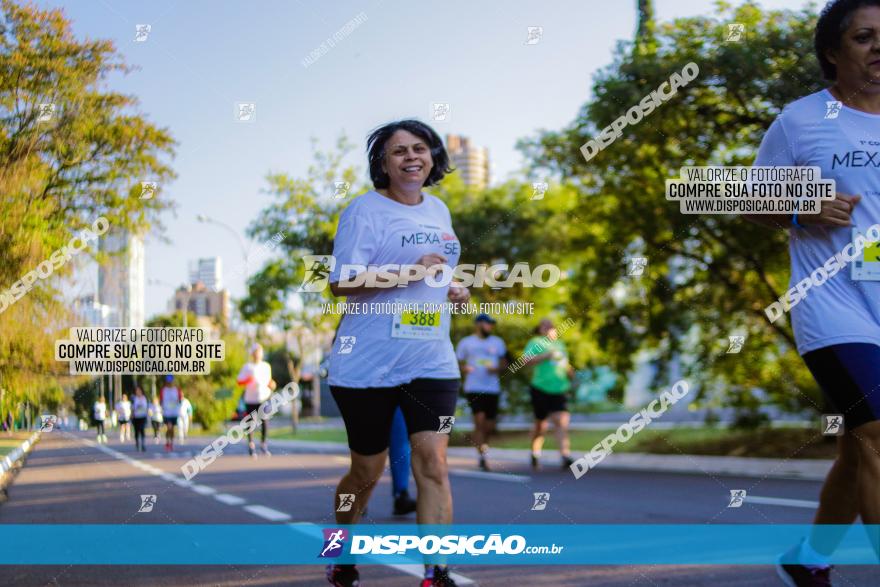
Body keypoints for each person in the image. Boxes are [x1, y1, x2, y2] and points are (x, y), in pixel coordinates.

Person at [746, 1, 880, 583]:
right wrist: (800, 209)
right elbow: (748, 199)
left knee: (859, 449)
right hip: (835, 305)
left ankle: (808, 560)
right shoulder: (802, 120)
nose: (879, 48)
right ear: (833, 50)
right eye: (864, 37)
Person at [325, 120, 468, 587]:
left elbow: (435, 272)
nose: (412, 157)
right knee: (366, 472)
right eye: (399, 151)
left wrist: (452, 287)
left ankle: (437, 571)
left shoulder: (439, 210)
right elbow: (341, 282)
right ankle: (340, 549)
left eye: (420, 148)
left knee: (434, 463)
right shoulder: (364, 212)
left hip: (430, 360)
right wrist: (406, 272)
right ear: (383, 164)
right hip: (366, 362)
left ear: (432, 157)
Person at [456, 314, 508, 471]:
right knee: (479, 420)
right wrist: (464, 369)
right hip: (473, 387)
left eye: (492, 324)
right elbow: (456, 362)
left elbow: (505, 363)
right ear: (478, 324)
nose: (490, 327)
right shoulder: (466, 342)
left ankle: (484, 447)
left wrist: (497, 368)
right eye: (487, 324)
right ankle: (481, 456)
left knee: (489, 425)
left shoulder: (498, 342)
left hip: (492, 388)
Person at [523, 319, 575, 471]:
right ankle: (535, 452)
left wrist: (570, 373)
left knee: (561, 421)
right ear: (540, 329)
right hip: (540, 388)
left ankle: (565, 455)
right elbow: (525, 361)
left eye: (551, 327)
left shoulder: (560, 345)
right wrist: (545, 356)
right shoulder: (535, 342)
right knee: (541, 425)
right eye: (545, 327)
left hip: (560, 388)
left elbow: (565, 363)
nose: (549, 329)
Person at [236, 343, 276, 457]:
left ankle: (263, 444)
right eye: (256, 353)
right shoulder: (247, 367)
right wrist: (248, 380)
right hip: (250, 399)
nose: (258, 355)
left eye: (259, 352)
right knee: (251, 424)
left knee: (265, 422)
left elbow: (269, 381)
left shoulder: (266, 366)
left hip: (264, 398)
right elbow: (239, 381)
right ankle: (251, 445)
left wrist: (272, 384)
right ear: (252, 354)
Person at [159, 375, 182, 452]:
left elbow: (180, 400)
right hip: (167, 413)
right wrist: (162, 408)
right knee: (169, 427)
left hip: (174, 413)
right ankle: (167, 442)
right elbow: (161, 401)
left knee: (172, 429)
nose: (169, 383)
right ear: (166, 382)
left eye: (171, 381)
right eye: (168, 381)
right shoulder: (163, 390)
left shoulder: (177, 390)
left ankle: (171, 442)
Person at [131, 386, 149, 452]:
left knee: (142, 430)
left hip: (143, 416)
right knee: (136, 431)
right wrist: (132, 415)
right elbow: (132, 408)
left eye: (139, 390)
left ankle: (143, 444)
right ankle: (137, 444)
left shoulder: (144, 398)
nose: (138, 392)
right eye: (137, 390)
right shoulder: (134, 398)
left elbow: (147, 407)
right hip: (136, 417)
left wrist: (147, 415)